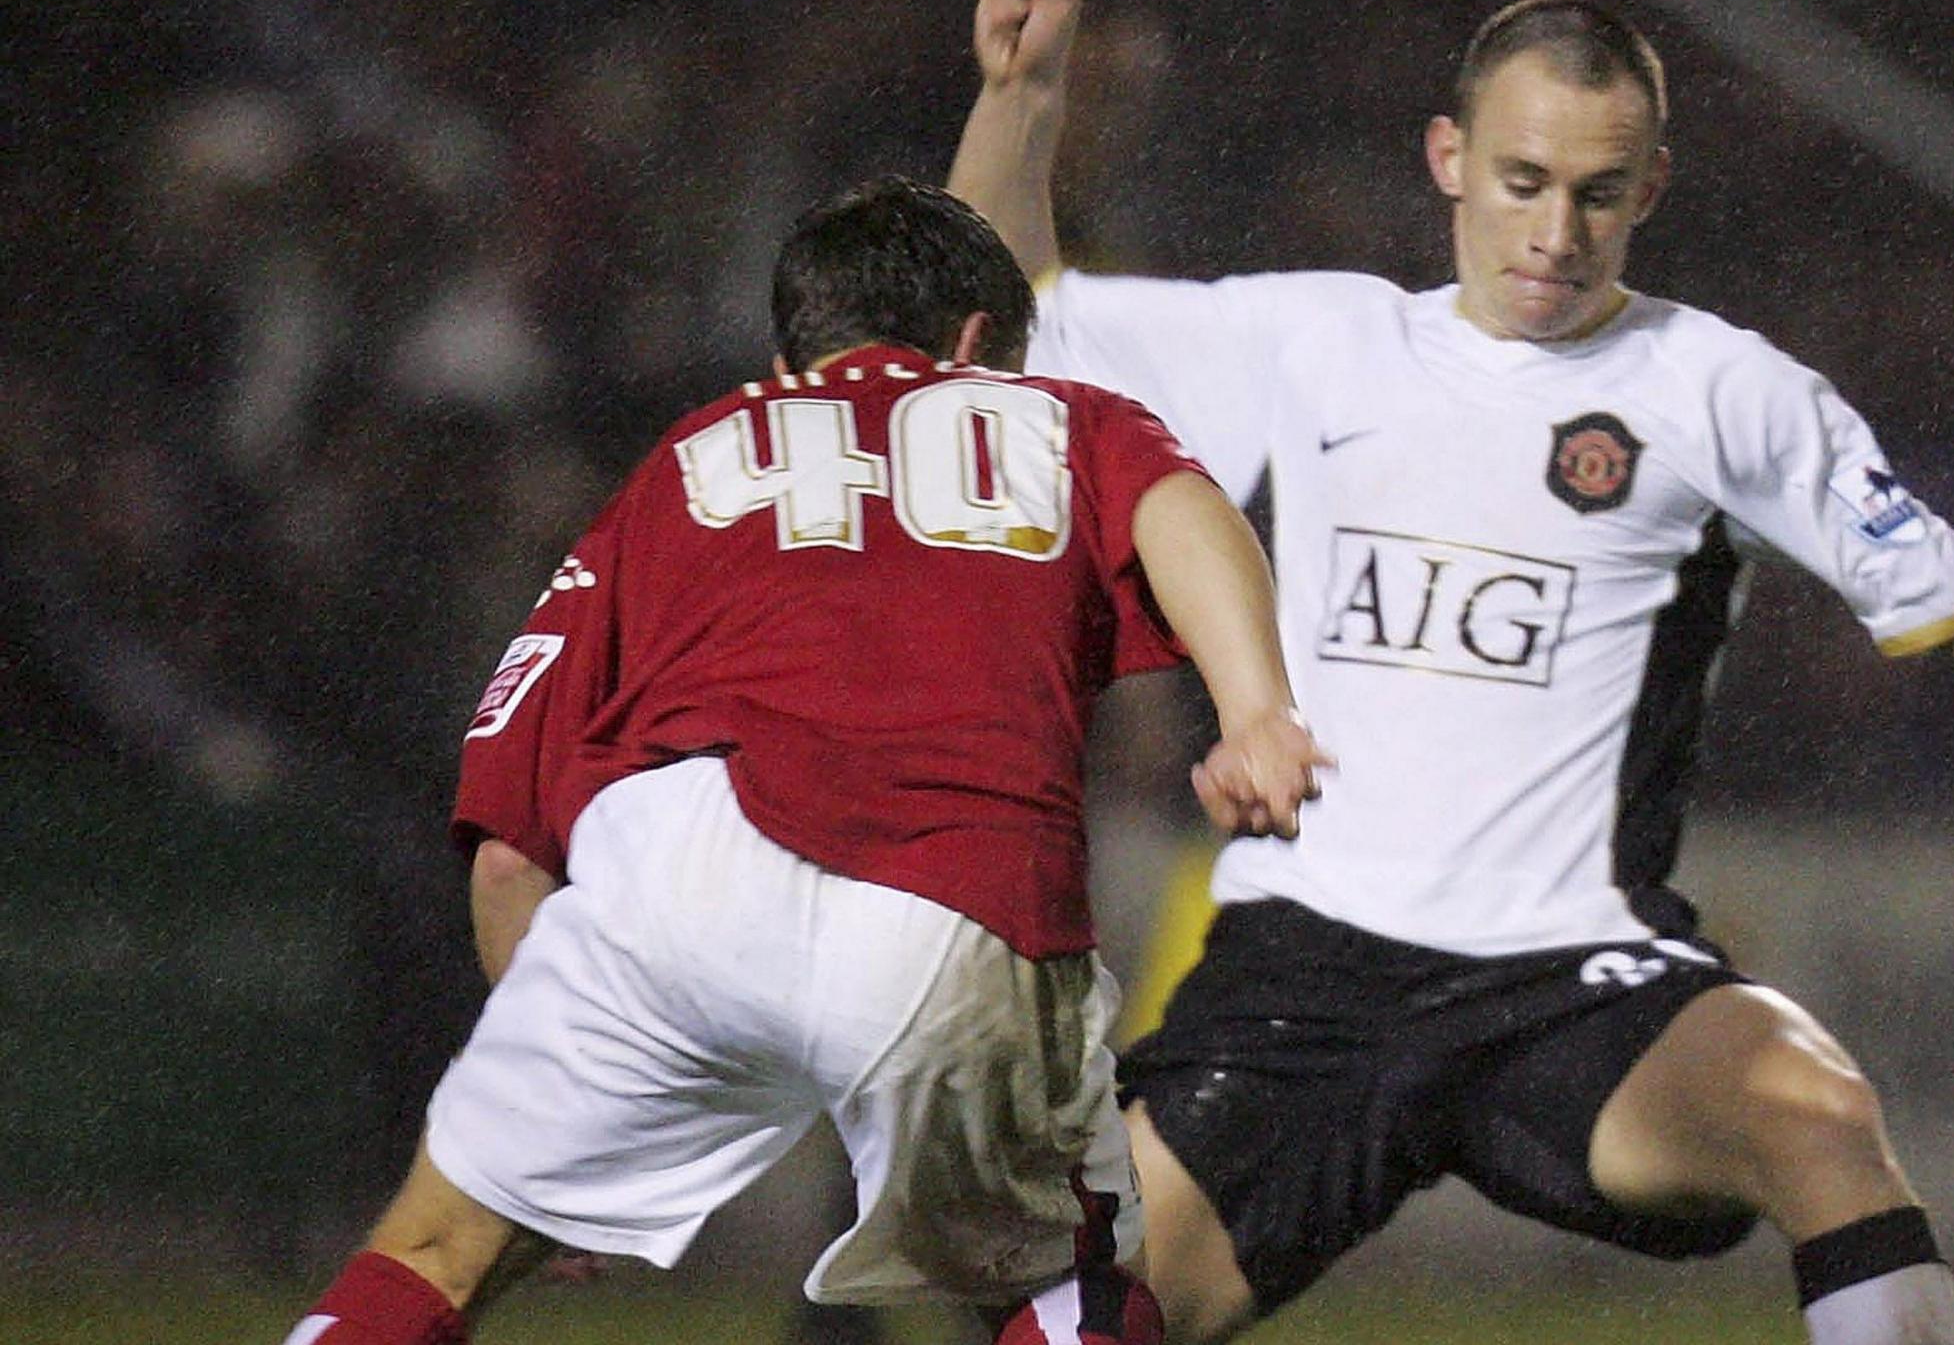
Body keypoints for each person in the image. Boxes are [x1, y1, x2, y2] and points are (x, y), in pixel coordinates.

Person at [943, 0, 1954, 1345]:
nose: (1556, 232)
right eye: (1524, 181)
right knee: (1077, 1324)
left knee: (1813, 1112)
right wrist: (1019, 91)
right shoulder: (1311, 340)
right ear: (1448, 159)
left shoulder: (1723, 393)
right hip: (1307, 980)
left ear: (1652, 188)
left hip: (1576, 983)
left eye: (1599, 193)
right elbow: (1004, 311)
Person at [280, 175, 1328, 1345]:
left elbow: (507, 859)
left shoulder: (691, 455)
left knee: (432, 1255)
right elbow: (1179, 503)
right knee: (1055, 1291)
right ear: (979, 341)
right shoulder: (1050, 414)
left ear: (799, 357)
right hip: (950, 897)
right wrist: (1256, 710)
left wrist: (560, 1128)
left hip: (682, 880)